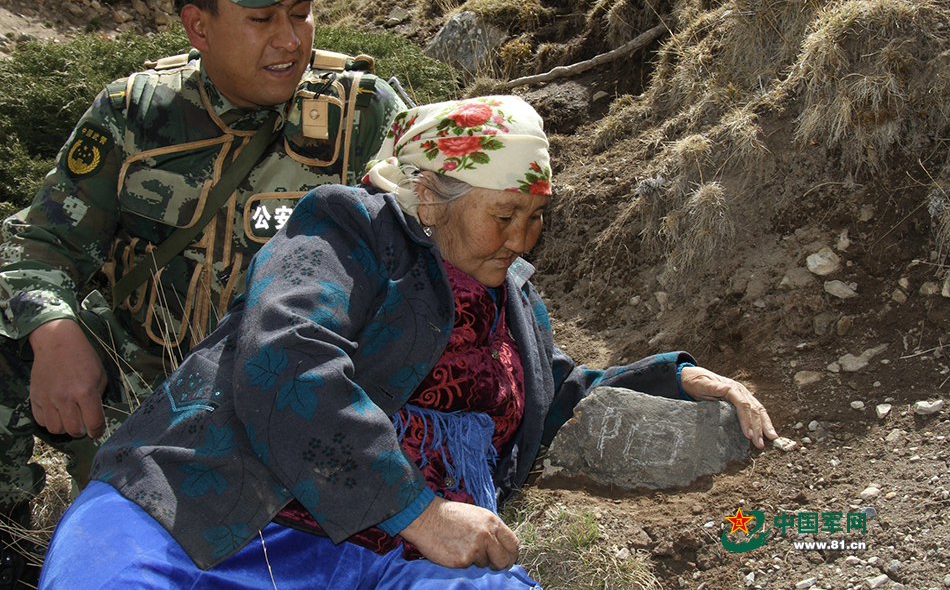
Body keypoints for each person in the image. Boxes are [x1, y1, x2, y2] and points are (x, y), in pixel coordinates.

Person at [37, 95, 776, 589]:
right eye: (505, 213)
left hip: (374, 558)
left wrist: (675, 378)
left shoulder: (510, 296)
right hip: (201, 508)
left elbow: (555, 394)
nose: (522, 239)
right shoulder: (344, 230)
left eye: (536, 215)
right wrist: (418, 511)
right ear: (430, 196)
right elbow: (284, 354)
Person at [0, 0, 408, 587]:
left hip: (303, 408)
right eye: (260, 18)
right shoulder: (137, 115)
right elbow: (35, 242)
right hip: (146, 402)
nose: (289, 40)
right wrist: (52, 328)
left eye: (301, 14)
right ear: (198, 26)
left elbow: (439, 252)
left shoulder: (362, 116)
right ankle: (15, 542)